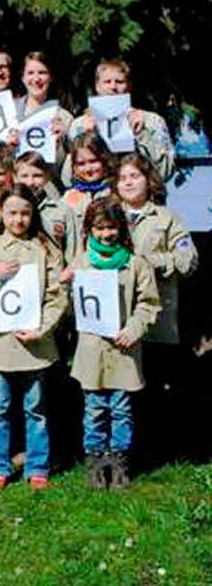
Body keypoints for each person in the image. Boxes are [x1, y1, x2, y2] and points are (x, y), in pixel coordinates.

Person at [0, 185, 67, 490]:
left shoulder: (45, 250)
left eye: (25, 213)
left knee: (35, 409)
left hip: (35, 343)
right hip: (0, 345)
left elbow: (57, 295)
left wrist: (43, 328)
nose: (19, 219)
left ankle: (37, 465)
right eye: (12, 213)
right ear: (2, 214)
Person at [63, 197, 160, 488]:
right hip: (92, 352)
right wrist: (66, 283)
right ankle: (96, 462)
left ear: (122, 228)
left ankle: (119, 462)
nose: (106, 234)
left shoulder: (135, 264)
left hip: (124, 351)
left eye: (111, 228)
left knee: (121, 410)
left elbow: (149, 303)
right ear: (90, 230)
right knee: (93, 410)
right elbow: (69, 306)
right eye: (99, 228)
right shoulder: (81, 263)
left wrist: (134, 328)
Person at [116, 152, 199, 466]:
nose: (128, 183)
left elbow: (188, 262)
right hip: (121, 315)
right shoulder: (109, 216)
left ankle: (160, 450)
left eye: (134, 176)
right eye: (122, 178)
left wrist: (155, 263)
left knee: (157, 384)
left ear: (148, 181)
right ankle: (126, 450)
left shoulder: (167, 219)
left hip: (158, 315)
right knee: (125, 386)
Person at [66, 58, 174, 183]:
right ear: (97, 87)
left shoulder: (152, 121)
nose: (113, 87)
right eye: (107, 82)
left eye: (119, 81)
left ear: (129, 85)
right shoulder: (79, 125)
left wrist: (142, 134)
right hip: (98, 198)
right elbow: (69, 178)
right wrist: (85, 136)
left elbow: (165, 171)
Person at [62, 134, 115, 262]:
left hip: (110, 265)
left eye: (93, 161)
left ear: (104, 160)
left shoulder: (115, 194)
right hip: (77, 267)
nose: (88, 169)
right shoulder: (68, 198)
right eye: (81, 164)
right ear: (73, 167)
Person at [14, 152, 68, 252]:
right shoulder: (8, 210)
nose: (30, 182)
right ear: (15, 177)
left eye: (37, 176)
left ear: (47, 177)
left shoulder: (61, 210)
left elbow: (72, 250)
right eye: (24, 176)